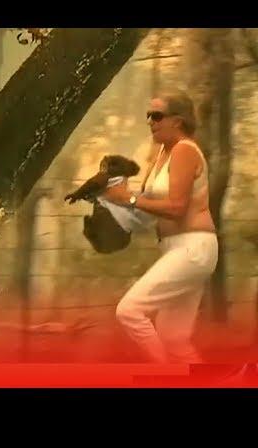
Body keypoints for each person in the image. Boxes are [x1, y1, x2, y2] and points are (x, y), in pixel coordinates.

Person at [103, 90, 218, 364]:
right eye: (148, 116)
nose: (150, 122)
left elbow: (177, 208)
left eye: (156, 116)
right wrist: (112, 198)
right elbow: (147, 204)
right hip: (177, 250)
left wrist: (128, 198)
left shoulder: (184, 150)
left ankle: (167, 377)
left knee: (129, 311)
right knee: (173, 338)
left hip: (193, 248)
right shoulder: (163, 153)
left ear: (177, 121)